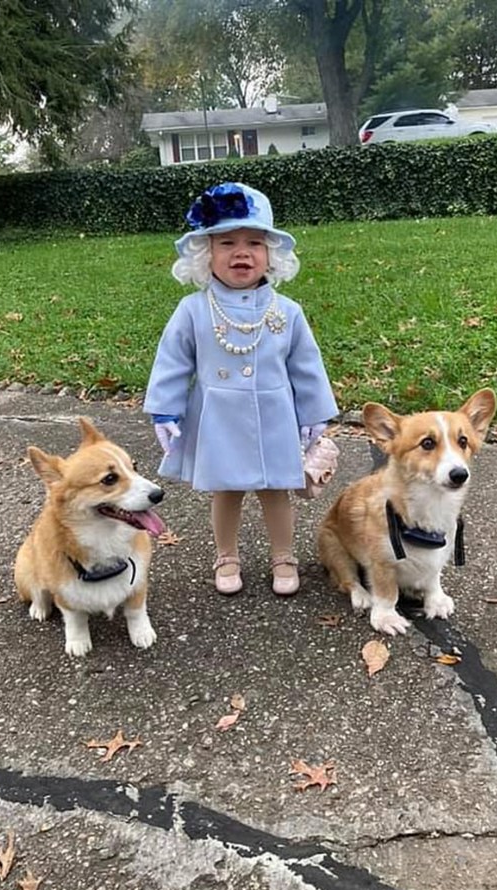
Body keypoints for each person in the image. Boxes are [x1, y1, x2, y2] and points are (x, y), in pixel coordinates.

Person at [143, 181, 338, 596]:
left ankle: (283, 554)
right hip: (218, 418)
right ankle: (226, 554)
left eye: (254, 242)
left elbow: (306, 365)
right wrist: (165, 409)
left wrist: (314, 414)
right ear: (205, 255)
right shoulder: (193, 310)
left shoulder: (287, 311)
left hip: (274, 416)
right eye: (226, 242)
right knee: (226, 490)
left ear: (271, 256)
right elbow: (173, 361)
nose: (241, 252)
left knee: (276, 491)